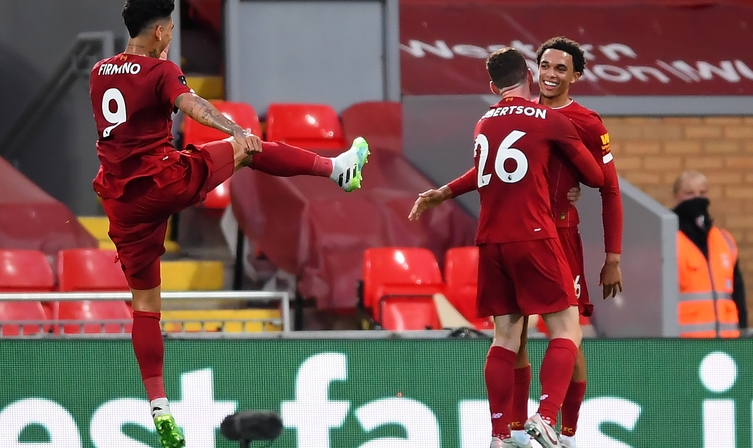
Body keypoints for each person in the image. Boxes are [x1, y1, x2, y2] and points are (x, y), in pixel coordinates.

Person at [90, 1, 370, 447]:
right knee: (252, 148)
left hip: (122, 201)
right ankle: (337, 169)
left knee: (145, 305)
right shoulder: (162, 72)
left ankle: (159, 405)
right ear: (161, 32)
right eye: (171, 30)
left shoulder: (101, 71)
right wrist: (232, 128)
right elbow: (192, 105)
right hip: (163, 180)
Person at [409, 37, 623, 448]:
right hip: (538, 234)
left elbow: (606, 187)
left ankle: (546, 433)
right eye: (545, 66)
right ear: (532, 72)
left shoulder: (499, 121)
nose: (550, 74)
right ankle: (531, 424)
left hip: (520, 236)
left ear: (575, 76)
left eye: (560, 69)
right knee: (554, 332)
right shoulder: (545, 119)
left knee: (525, 338)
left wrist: (612, 255)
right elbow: (592, 178)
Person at [672, 170, 745, 337]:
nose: (697, 198)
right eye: (689, 193)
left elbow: (738, 293)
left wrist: (743, 332)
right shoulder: (668, 240)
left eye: (702, 193)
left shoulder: (725, 241)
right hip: (685, 344)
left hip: (726, 341)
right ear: (676, 196)